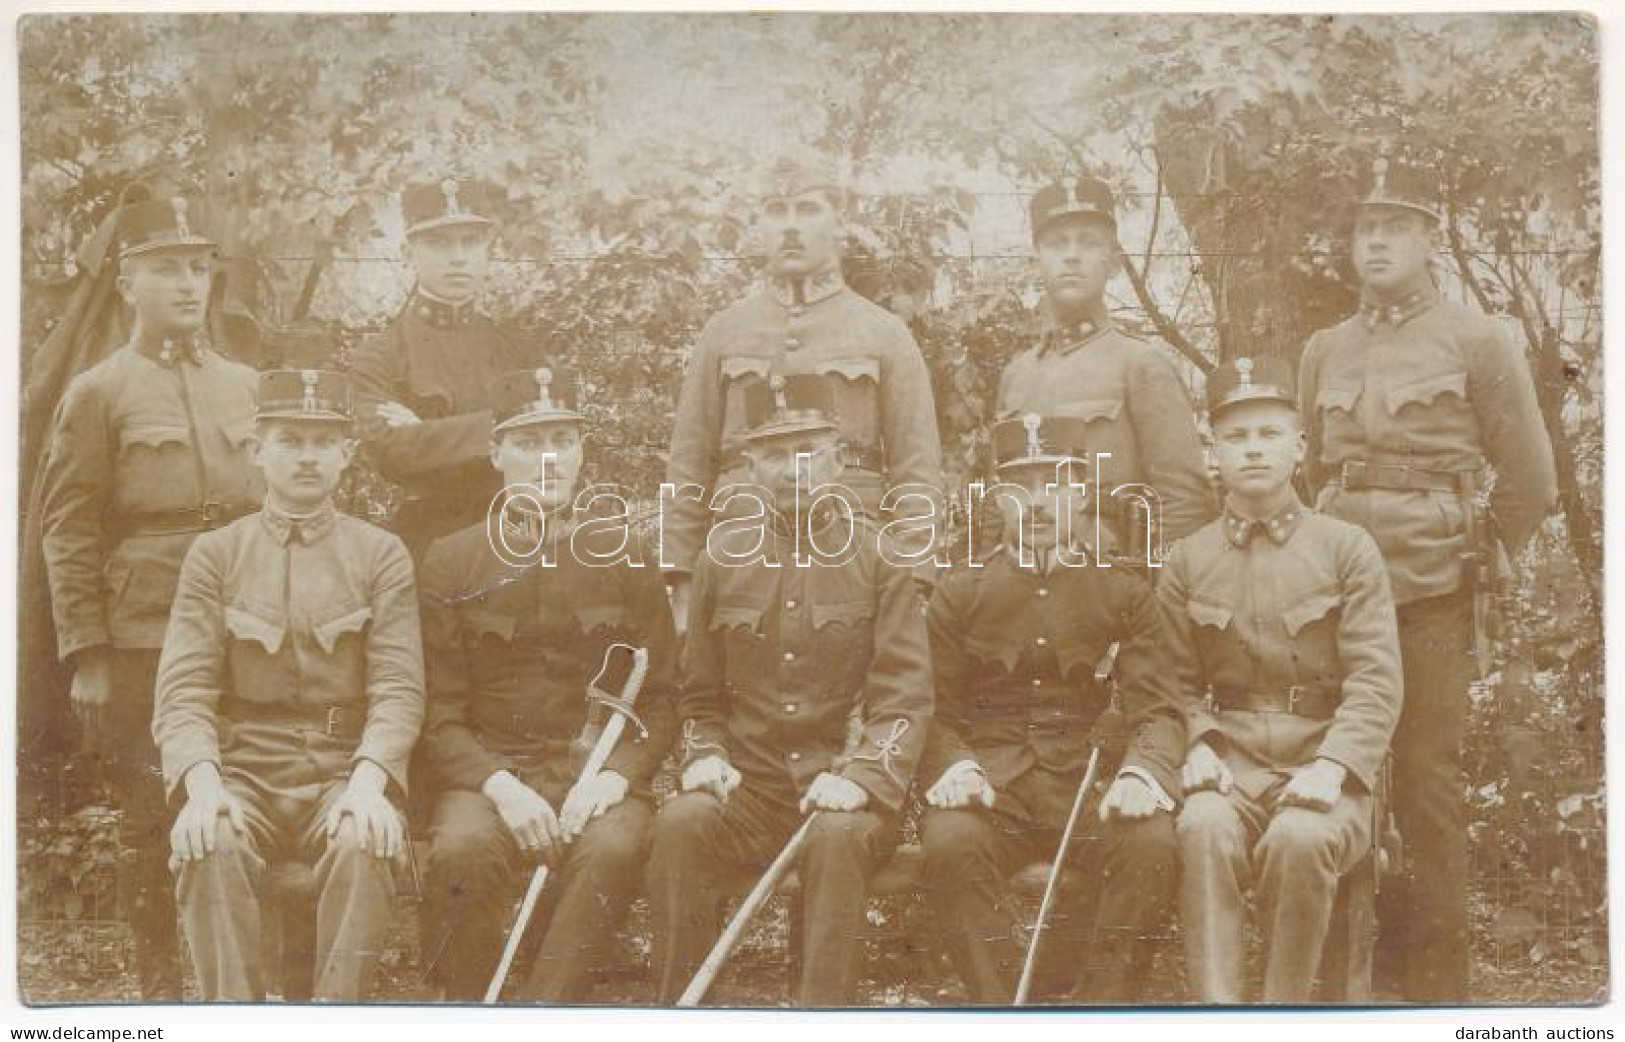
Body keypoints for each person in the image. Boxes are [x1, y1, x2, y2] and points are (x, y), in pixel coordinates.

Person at [1297, 156, 1558, 1002]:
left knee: (1425, 784)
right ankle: (1338, 983)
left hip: (1430, 586)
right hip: (1332, 590)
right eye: (1363, 230)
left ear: (1427, 238)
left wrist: (1473, 551)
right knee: (1330, 772)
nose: (1374, 243)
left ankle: (1436, 992)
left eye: (1393, 228)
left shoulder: (1476, 339)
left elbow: (1530, 479)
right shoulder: (1323, 348)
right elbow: (1309, 472)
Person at [646, 372, 933, 1006]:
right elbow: (698, 697)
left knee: (835, 838)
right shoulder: (721, 559)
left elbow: (904, 696)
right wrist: (705, 756)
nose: (793, 469)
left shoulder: (881, 557)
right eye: (774, 454)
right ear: (749, 464)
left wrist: (859, 776)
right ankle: (678, 1010)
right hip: (751, 789)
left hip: (848, 787)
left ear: (837, 456)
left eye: (808, 452)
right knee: (680, 823)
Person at [38, 194, 264, 998]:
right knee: (149, 812)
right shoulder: (99, 392)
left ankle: (240, 980)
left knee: (244, 790)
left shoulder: (246, 385)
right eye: (166, 268)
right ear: (127, 283)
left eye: (198, 268)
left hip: (243, 620)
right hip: (143, 632)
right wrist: (88, 653)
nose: (187, 284)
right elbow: (66, 530)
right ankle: (164, 989)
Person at [151, 370, 424, 1001]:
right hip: (244, 767)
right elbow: (183, 690)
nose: (307, 456)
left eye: (323, 441)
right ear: (257, 449)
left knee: (366, 838)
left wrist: (368, 782)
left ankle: (335, 1015)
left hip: (338, 768)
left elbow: (399, 688)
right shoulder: (216, 555)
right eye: (289, 439)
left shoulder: (381, 553)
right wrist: (203, 785)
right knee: (208, 839)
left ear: (346, 454)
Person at [418, 366, 678, 1002]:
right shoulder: (452, 560)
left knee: (612, 848)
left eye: (563, 440)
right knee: (462, 850)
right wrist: (501, 788)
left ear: (583, 451)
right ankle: (467, 1011)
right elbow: (436, 710)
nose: (548, 458)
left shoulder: (627, 553)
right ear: (496, 453)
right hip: (491, 775)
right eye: (530, 443)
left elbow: (665, 695)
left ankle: (545, 1011)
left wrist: (618, 776)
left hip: (595, 774)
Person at [918, 412, 1186, 1004]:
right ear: (997, 498)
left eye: (1057, 484)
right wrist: (956, 766)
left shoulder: (1125, 593)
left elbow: (1160, 710)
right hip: (993, 787)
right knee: (948, 841)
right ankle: (1000, 1003)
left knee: (1152, 844)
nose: (1038, 503)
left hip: (1086, 789)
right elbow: (930, 708)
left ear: (1085, 493)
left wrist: (1142, 774)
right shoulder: (959, 593)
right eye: (1020, 487)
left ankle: (1103, 1007)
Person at [1161, 356, 1402, 1003]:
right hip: (1231, 761)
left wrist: (1332, 766)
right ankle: (1219, 1013)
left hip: (1326, 763)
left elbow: (1376, 680)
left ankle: (1281, 1013)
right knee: (1201, 827)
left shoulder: (1345, 547)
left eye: (1268, 433)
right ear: (1212, 453)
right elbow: (1169, 679)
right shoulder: (1187, 560)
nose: (1252, 450)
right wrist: (1199, 742)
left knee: (1299, 838)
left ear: (1298, 447)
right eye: (1234, 437)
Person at [663, 150, 946, 630]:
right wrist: (680, 574)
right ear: (759, 226)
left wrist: (915, 575)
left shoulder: (885, 333)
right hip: (742, 545)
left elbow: (916, 467)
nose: (790, 226)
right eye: (776, 211)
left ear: (840, 225)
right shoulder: (723, 331)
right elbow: (688, 459)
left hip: (850, 548)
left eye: (808, 209)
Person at [997, 176, 1214, 559]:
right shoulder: (1016, 377)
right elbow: (999, 496)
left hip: (1115, 584)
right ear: (1037, 262)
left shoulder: (1141, 364)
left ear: (1112, 263)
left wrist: (1158, 598)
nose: (1072, 256)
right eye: (1056, 244)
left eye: (1089, 242)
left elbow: (1184, 503)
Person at [350, 177, 534, 560]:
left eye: (470, 242)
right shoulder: (381, 354)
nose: (458, 257)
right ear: (407, 252)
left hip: (515, 536)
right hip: (425, 545)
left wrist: (424, 434)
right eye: (438, 243)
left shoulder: (521, 349)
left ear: (488, 250)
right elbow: (392, 453)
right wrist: (506, 428)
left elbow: (547, 446)